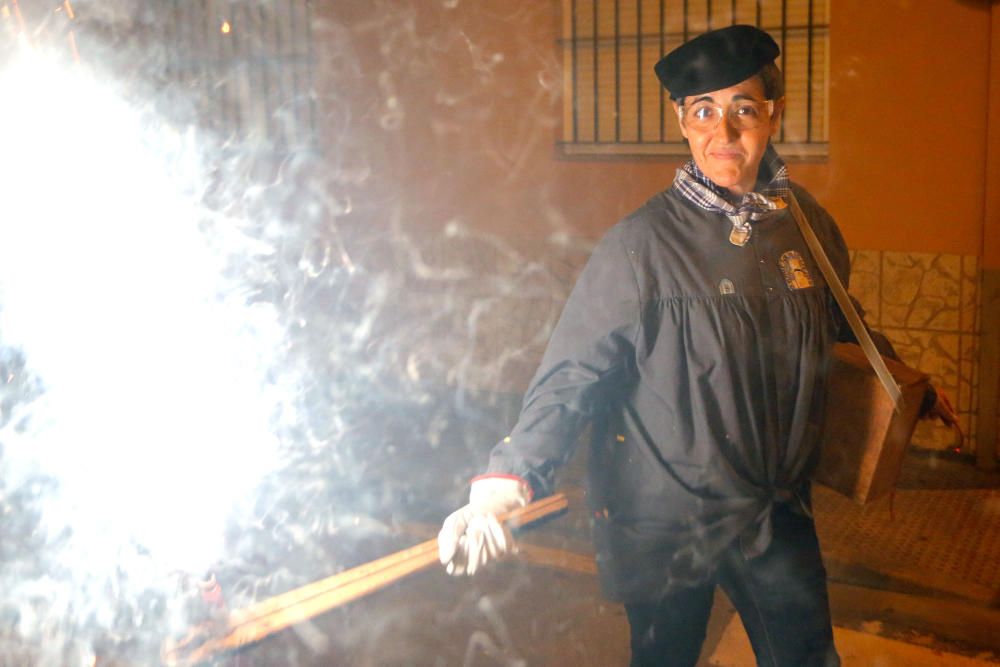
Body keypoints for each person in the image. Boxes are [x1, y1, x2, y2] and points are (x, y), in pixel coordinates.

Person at [437, 24, 957, 667]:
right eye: (704, 111)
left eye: (744, 108)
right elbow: (570, 375)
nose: (724, 131)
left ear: (774, 116)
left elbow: (841, 323)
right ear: (682, 121)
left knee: (806, 658)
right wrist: (504, 482)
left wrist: (911, 385)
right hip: (667, 520)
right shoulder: (640, 248)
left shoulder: (806, 226)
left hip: (773, 509)